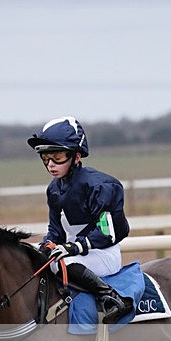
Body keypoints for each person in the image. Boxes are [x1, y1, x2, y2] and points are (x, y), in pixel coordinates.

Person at [27, 116, 133, 323]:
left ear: (76, 156)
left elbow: (106, 232)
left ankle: (111, 297)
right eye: (45, 157)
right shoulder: (53, 190)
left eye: (57, 156)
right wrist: (46, 246)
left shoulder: (99, 186)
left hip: (103, 253)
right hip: (74, 253)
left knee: (63, 263)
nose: (50, 164)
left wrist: (72, 247)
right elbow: (55, 231)